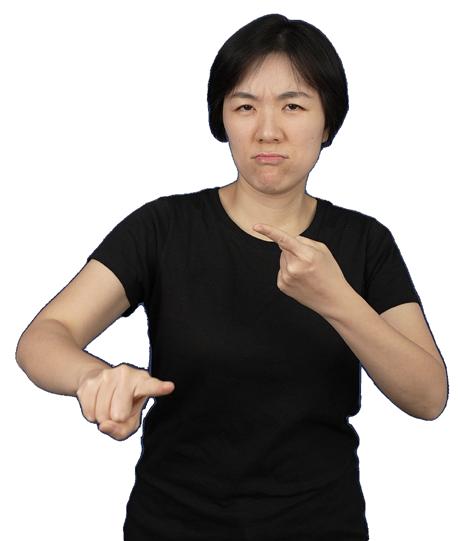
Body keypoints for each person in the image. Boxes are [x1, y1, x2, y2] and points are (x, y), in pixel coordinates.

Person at [15, 13, 448, 541]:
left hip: (320, 527)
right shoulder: (164, 227)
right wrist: (94, 378)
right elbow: (43, 338)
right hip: (171, 526)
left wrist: (337, 299)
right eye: (245, 106)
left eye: (293, 106)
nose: (267, 130)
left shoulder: (365, 242)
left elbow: (428, 397)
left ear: (328, 122)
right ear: (221, 119)